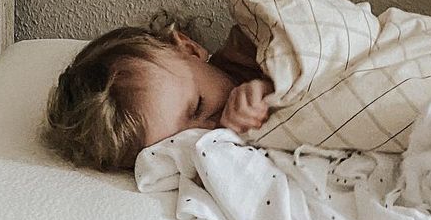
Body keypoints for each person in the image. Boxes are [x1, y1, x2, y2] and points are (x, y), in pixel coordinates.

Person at [45, 18, 271, 171]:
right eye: (178, 142)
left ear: (190, 49)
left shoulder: (251, 48)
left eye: (198, 106)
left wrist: (270, 90)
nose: (206, 131)